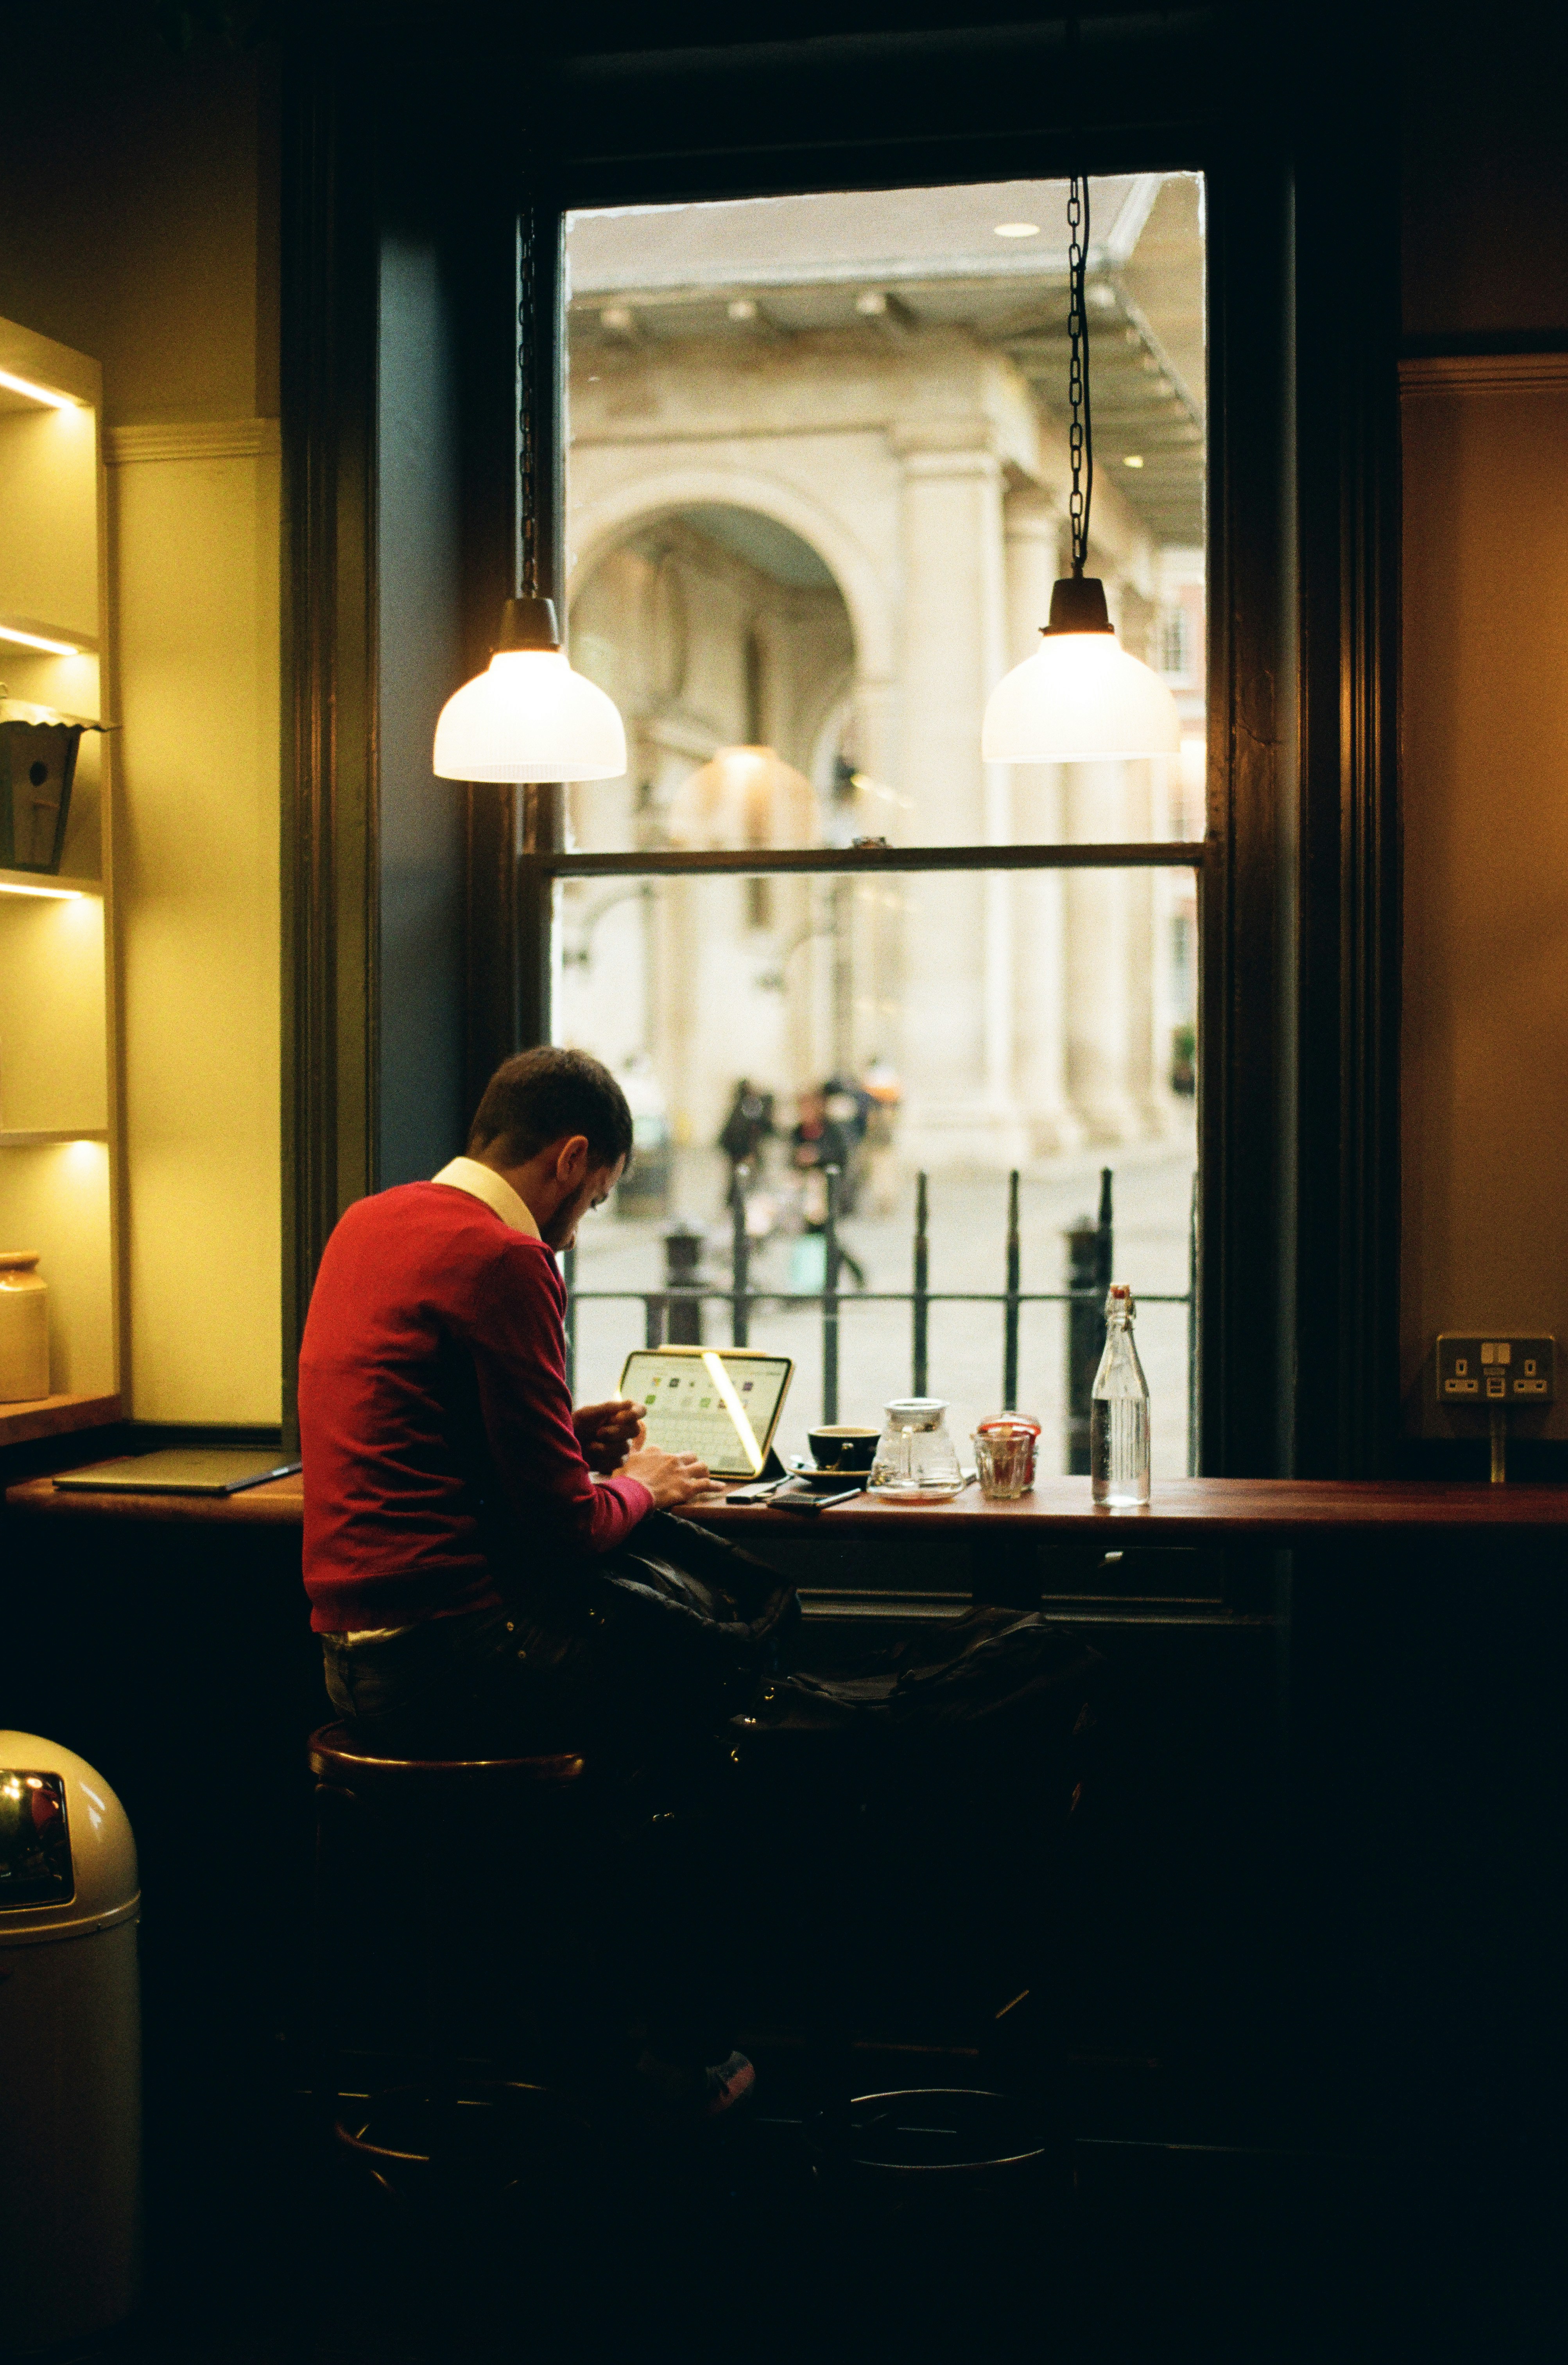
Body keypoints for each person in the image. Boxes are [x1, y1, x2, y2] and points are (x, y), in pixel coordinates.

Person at [298, 1045, 789, 2116]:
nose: (584, 1222)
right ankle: (642, 2065)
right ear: (571, 1158)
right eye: (599, 1194)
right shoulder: (506, 1258)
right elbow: (566, 1530)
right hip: (452, 1656)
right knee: (716, 1742)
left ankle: (547, 2051)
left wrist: (565, 1433)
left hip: (354, 1659)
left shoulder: (370, 1222)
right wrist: (649, 1484)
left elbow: (419, 1432)